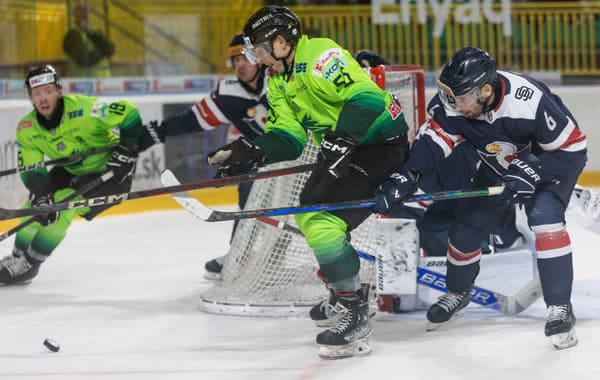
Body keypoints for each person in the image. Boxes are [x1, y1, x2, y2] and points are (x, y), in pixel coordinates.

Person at [206, 5, 411, 359]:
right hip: (342, 146)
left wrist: (343, 139)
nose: (257, 59)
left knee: (321, 221)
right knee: (307, 213)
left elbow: (366, 99)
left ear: (282, 42)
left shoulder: (321, 55)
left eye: (259, 49)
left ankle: (353, 310)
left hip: (380, 144)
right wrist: (254, 150)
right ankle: (345, 287)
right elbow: (289, 137)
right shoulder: (279, 79)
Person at [374, 46, 587, 350]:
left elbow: (574, 150)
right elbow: (433, 141)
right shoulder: (456, 102)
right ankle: (459, 292)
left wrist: (532, 168)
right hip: (500, 167)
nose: (453, 104)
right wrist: (407, 175)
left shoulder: (528, 102)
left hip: (548, 167)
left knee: (544, 218)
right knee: (468, 222)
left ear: (485, 90)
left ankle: (560, 308)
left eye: (460, 98)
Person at [138, 33, 269, 280]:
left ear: (259, 57)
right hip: (269, 158)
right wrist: (159, 132)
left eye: (245, 58)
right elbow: (192, 119)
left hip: (304, 151)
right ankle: (240, 254)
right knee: (249, 190)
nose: (239, 65)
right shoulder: (228, 94)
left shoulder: (279, 78)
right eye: (234, 60)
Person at [0, 65, 142, 285]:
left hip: (111, 176)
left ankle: (30, 263)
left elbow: (129, 112)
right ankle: (17, 257)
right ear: (30, 98)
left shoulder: (85, 110)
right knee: (34, 204)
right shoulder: (27, 128)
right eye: (36, 94)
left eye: (48, 91)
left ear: (59, 91)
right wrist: (40, 194)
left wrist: (127, 152)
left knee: (63, 207)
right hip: (72, 170)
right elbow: (31, 168)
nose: (43, 98)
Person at [63, 1, 115, 77]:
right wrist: (103, 51)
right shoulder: (73, 34)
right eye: (80, 10)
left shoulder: (96, 32)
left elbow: (111, 49)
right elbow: (83, 60)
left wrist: (92, 34)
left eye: (86, 10)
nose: (84, 13)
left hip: (104, 83)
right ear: (74, 14)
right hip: (83, 85)